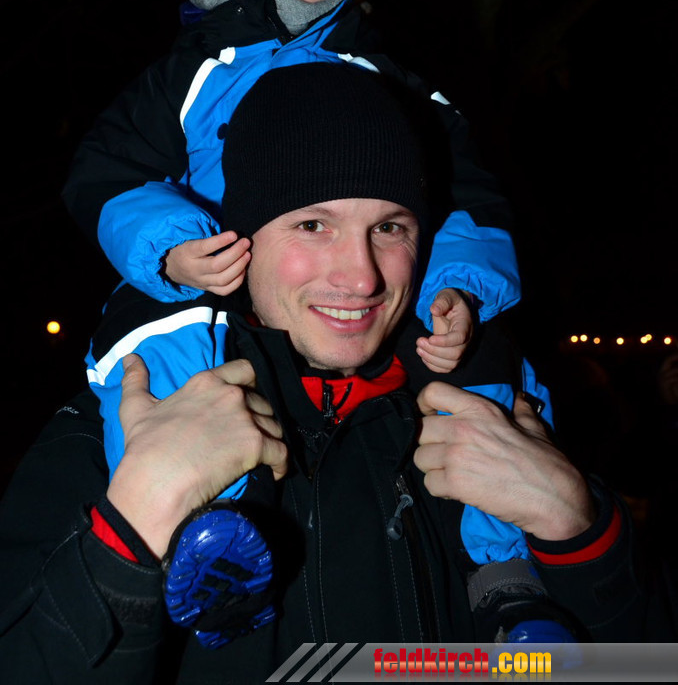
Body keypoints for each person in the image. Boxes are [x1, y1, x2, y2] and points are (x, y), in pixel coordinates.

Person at [0, 64, 649, 682]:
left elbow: (637, 667)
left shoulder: (496, 416)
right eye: (313, 224)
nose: (362, 277)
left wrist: (579, 531)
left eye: (389, 227)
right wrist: (134, 526)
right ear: (239, 241)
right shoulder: (117, 428)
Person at [60, 0, 530, 617]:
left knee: (483, 361)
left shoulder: (390, 79)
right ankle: (209, 534)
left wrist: (458, 286)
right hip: (216, 273)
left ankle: (505, 576)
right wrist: (169, 249)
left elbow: (471, 193)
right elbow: (106, 169)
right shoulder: (194, 70)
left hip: (368, 304)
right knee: (155, 338)